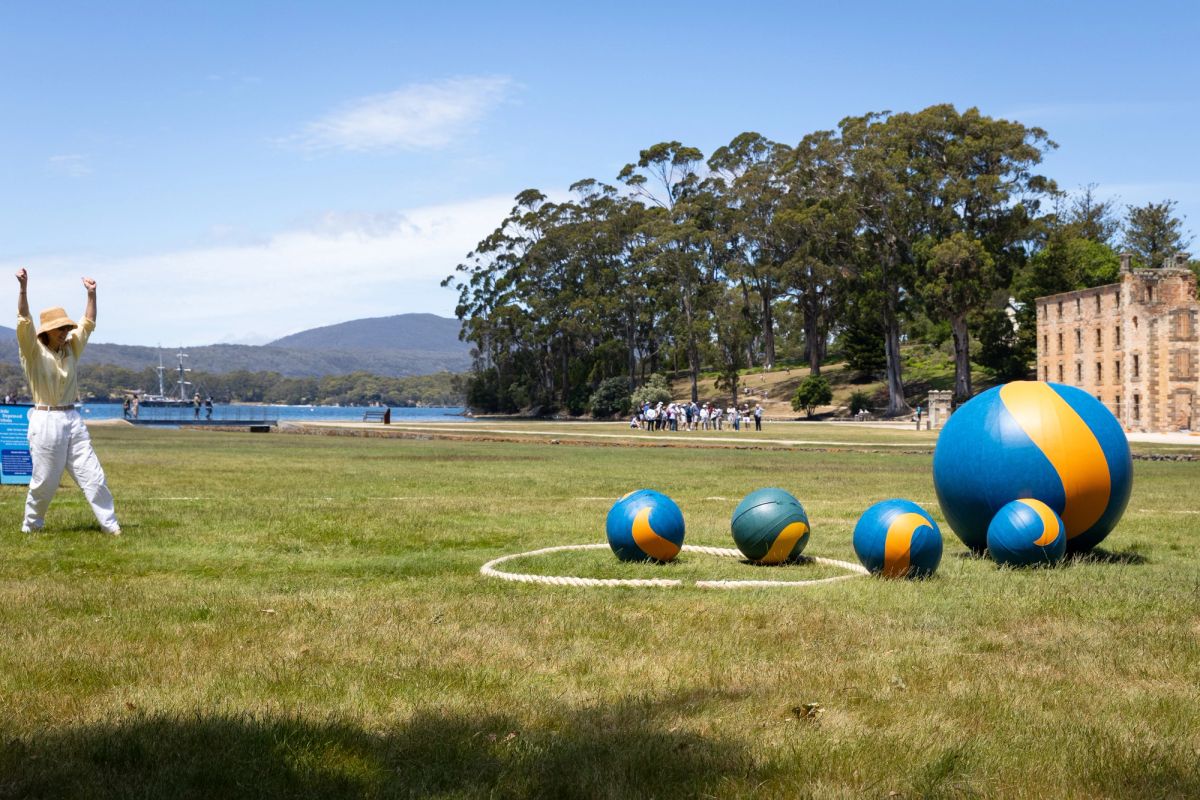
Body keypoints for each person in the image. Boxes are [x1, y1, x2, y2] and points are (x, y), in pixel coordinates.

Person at [14, 269, 120, 535]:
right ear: (47, 331)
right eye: (60, 328)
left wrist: (92, 294)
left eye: (66, 327)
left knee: (93, 476)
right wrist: (24, 288)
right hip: (46, 419)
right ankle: (31, 525)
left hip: (72, 419)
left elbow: (88, 323)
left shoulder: (71, 348)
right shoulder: (32, 351)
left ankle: (111, 526)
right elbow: (24, 320)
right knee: (46, 481)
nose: (65, 331)